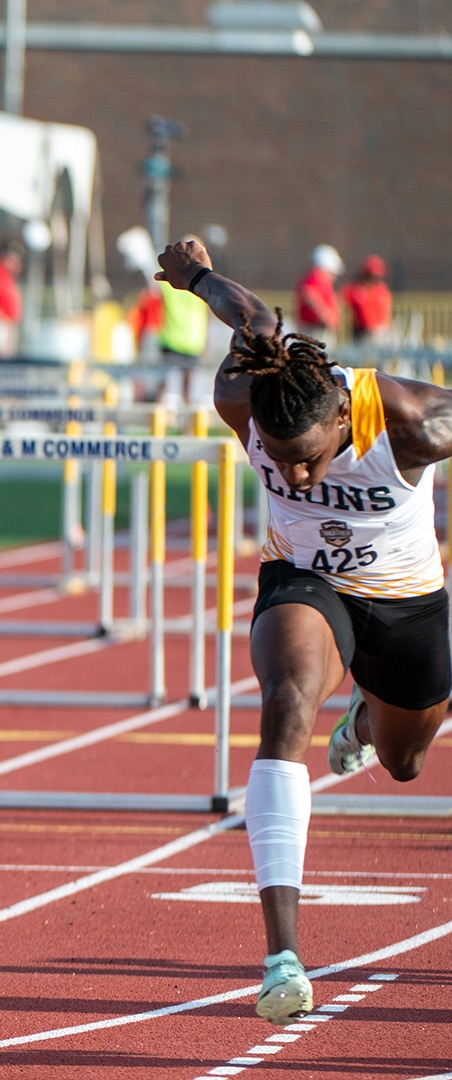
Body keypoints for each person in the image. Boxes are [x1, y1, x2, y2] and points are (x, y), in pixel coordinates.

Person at [155, 238, 452, 1025]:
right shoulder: (242, 399)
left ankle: (366, 713)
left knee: (406, 760)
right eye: (279, 464)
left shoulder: (416, 422)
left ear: (340, 424)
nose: (294, 478)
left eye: (311, 462)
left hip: (407, 600)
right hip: (304, 581)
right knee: (286, 701)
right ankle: (281, 955)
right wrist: (197, 278)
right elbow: (251, 318)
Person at [294, 243, 343, 340]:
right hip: (316, 331)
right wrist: (325, 316)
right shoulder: (317, 276)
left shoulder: (320, 279)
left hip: (318, 330)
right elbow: (308, 294)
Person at [342, 255, 393, 345]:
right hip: (362, 333)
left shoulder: (381, 290)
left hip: (380, 332)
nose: (374, 279)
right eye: (371, 276)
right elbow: (342, 303)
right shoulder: (354, 288)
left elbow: (387, 311)